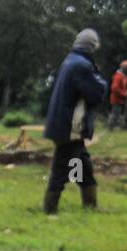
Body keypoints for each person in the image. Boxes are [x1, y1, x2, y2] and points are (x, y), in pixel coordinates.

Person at [43, 29, 109, 214]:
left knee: (82, 166)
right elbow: (96, 94)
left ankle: (89, 206)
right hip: (70, 126)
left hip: (64, 124)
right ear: (93, 46)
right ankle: (50, 210)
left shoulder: (70, 61)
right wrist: (102, 83)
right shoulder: (82, 66)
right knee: (62, 166)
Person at [110, 61, 127, 129]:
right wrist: (124, 93)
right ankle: (111, 127)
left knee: (118, 113)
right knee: (115, 113)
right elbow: (114, 88)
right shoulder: (118, 76)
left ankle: (122, 126)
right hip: (116, 98)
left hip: (121, 98)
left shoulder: (123, 76)